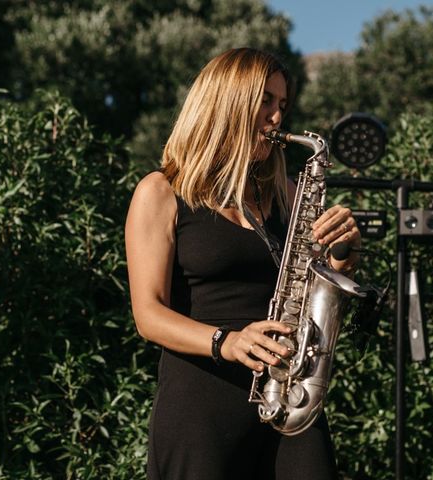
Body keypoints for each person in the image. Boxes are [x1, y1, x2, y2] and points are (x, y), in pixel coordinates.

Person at [125, 47, 361, 480]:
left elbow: (315, 294)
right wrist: (227, 342)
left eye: (283, 105)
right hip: (203, 406)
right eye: (265, 101)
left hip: (289, 396)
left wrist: (341, 253)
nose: (277, 117)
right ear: (228, 100)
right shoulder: (160, 192)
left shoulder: (286, 193)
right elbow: (148, 315)